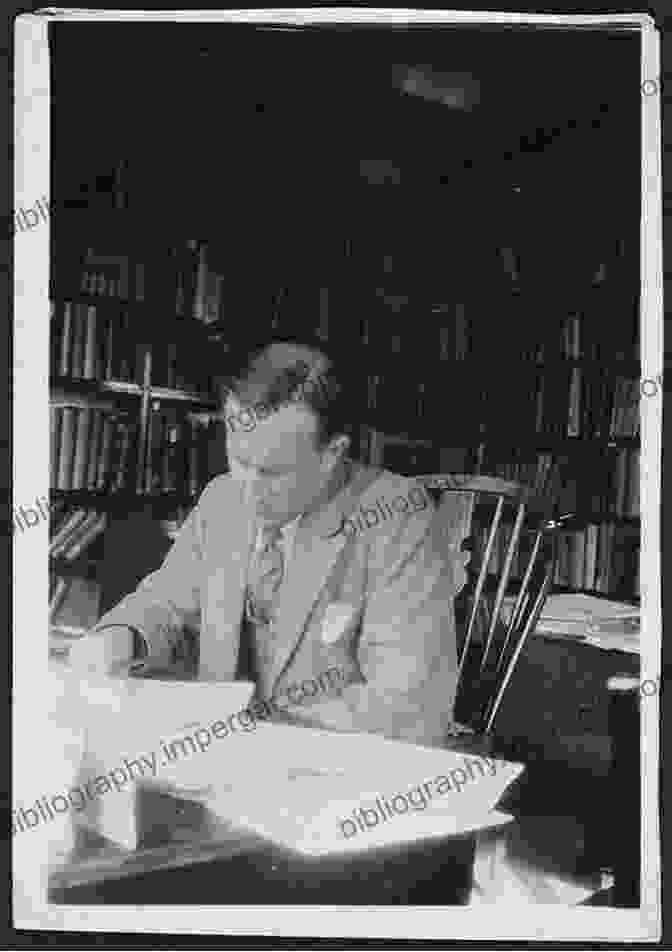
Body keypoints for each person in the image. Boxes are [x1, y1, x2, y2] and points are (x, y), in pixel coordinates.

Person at [69, 339, 461, 747]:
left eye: (273, 472)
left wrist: (257, 724)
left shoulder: (397, 517)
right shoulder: (222, 499)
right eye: (239, 460)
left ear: (334, 453)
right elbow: (166, 603)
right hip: (219, 766)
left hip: (332, 778)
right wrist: (122, 638)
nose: (249, 490)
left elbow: (411, 708)